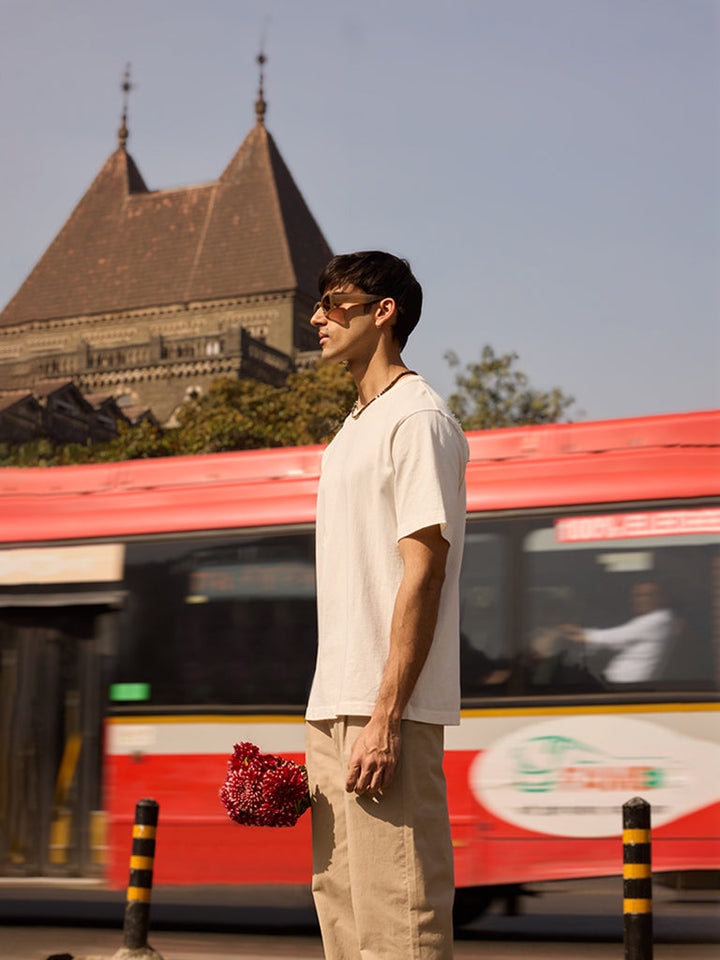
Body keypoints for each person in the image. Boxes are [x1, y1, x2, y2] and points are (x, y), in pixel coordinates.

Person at [305, 251, 468, 960]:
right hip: (335, 705)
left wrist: (385, 717)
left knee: (400, 924)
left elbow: (424, 571)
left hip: (382, 710)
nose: (317, 317)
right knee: (343, 920)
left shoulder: (419, 419)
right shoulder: (350, 431)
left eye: (334, 303)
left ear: (383, 312)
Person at [562, 580, 674, 683]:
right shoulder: (650, 619)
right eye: (636, 596)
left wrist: (567, 638)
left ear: (662, 598)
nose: (639, 600)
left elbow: (612, 638)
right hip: (617, 684)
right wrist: (576, 630)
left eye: (646, 595)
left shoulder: (657, 620)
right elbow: (617, 642)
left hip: (625, 688)